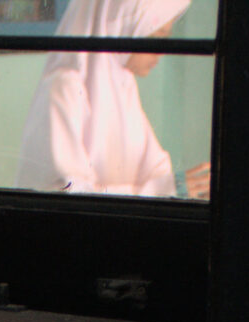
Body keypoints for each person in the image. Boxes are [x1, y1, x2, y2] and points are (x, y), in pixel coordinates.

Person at [15, 0, 208, 199]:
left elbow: (154, 170)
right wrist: (165, 189)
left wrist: (181, 187)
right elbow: (66, 194)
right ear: (122, 28)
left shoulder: (123, 83)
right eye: (156, 36)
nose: (161, 51)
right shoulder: (64, 87)